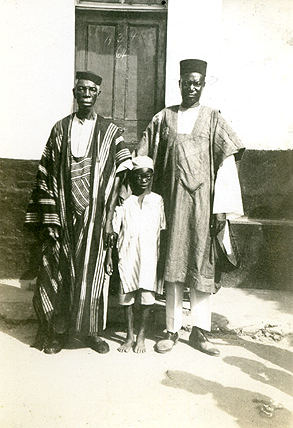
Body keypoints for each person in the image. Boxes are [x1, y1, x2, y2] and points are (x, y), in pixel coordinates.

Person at [136, 59, 245, 356]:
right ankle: (171, 330)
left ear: (204, 85)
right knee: (173, 266)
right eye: (187, 82)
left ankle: (200, 332)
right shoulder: (164, 118)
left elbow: (225, 165)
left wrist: (220, 210)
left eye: (197, 82)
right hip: (172, 205)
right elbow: (143, 156)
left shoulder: (213, 119)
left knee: (201, 265)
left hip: (203, 208)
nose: (192, 87)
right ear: (180, 83)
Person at [25, 71, 132, 354]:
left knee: (92, 274)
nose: (86, 94)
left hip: (96, 217)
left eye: (91, 90)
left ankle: (91, 333)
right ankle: (58, 332)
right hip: (63, 215)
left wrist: (109, 215)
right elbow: (45, 173)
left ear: (98, 95)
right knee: (60, 273)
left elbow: (124, 168)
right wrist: (50, 217)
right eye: (81, 89)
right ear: (74, 93)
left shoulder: (109, 132)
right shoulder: (60, 129)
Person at [105, 156, 166, 354]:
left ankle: (141, 335)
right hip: (127, 253)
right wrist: (109, 257)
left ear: (152, 177)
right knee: (127, 295)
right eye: (139, 176)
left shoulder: (157, 200)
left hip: (149, 255)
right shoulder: (125, 202)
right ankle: (129, 335)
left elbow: (162, 231)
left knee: (147, 295)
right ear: (133, 177)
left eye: (147, 175)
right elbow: (115, 230)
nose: (143, 180)